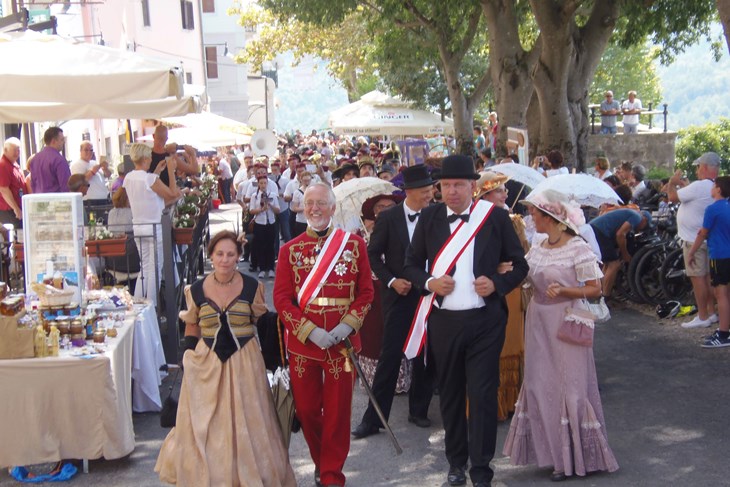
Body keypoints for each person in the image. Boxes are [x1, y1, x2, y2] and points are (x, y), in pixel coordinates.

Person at [402, 155, 528, 487]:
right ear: (438, 188)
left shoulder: (496, 218)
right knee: (452, 395)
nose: (453, 191)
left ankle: (482, 470)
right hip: (444, 323)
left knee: (484, 394)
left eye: (459, 185)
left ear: (473, 186)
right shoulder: (429, 218)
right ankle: (456, 464)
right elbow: (411, 265)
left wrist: (498, 285)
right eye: (446, 185)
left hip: (486, 321)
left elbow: (520, 265)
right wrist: (429, 283)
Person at [156, 231, 296, 487]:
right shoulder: (195, 290)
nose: (225, 259)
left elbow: (261, 322)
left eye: (231, 254)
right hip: (206, 364)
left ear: (238, 257)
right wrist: (188, 356)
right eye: (219, 253)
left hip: (245, 362)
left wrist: (285, 321)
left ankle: (248, 474)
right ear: (211, 256)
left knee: (249, 420)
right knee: (207, 423)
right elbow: (192, 326)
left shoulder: (253, 286)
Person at [503, 189, 619, 481]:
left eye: (535, 213)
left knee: (569, 386)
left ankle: (571, 457)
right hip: (538, 320)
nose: (531, 217)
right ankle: (551, 453)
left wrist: (566, 290)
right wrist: (509, 272)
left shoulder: (577, 248)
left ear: (551, 218)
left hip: (565, 320)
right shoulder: (539, 245)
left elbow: (596, 288)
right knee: (540, 384)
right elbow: (528, 274)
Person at [273, 182, 374, 487]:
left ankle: (331, 475)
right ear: (303, 209)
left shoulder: (354, 245)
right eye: (309, 204)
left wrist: (348, 325)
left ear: (333, 208)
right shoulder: (289, 250)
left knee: (337, 413)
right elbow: (281, 298)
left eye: (321, 203)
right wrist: (309, 331)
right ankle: (322, 460)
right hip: (306, 345)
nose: (314, 208)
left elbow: (366, 292)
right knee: (305, 410)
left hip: (341, 344)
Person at [352, 165, 436, 440]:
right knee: (390, 357)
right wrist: (391, 281)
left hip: (429, 295)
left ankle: (419, 409)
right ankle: (374, 418)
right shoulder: (388, 219)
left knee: (425, 354)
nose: (430, 195)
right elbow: (373, 255)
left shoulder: (437, 215)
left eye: (431, 190)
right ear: (409, 192)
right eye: (425, 191)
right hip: (398, 297)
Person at [475, 171, 530, 421]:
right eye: (500, 190)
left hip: (509, 288)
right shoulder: (471, 221)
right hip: (483, 290)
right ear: (485, 194)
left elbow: (522, 258)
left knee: (510, 345)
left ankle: (508, 402)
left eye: (505, 190)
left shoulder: (513, 220)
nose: (505, 194)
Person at [664, 152, 720, 328]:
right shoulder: (714, 186)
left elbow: (672, 197)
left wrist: (672, 183)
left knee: (698, 279)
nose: (696, 171)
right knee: (708, 278)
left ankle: (703, 316)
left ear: (703, 167)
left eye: (697, 167)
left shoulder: (699, 185)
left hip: (693, 239)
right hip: (707, 239)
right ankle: (710, 313)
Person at [123, 143, 181, 305]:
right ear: (146, 158)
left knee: (145, 268)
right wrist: (170, 170)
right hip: (155, 226)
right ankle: (152, 306)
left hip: (138, 227)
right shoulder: (149, 178)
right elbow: (172, 193)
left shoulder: (129, 177)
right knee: (155, 268)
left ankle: (139, 304)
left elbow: (146, 190)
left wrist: (157, 172)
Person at [687, 176, 730, 347]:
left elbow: (702, 233)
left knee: (721, 294)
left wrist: (691, 252)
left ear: (718, 189)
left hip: (719, 254)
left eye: (713, 186)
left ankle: (723, 333)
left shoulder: (712, 209)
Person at [589, 208, 652, 300]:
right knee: (614, 265)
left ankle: (600, 293)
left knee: (608, 264)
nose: (641, 229)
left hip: (593, 228)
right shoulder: (637, 217)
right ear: (645, 220)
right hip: (600, 231)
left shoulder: (630, 213)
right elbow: (620, 234)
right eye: (645, 226)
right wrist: (625, 254)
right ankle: (605, 297)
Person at [248, 175, 280, 279]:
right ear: (258, 184)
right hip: (259, 223)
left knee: (270, 245)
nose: (263, 185)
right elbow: (251, 210)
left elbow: (278, 210)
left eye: (264, 183)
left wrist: (269, 205)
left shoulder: (273, 195)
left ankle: (271, 268)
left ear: (267, 184)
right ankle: (261, 268)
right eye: (261, 183)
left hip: (270, 222)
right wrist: (261, 209)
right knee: (260, 246)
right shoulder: (255, 196)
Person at [29, 126, 71, 194]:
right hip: (56, 201)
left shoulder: (35, 159)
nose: (64, 142)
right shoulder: (59, 159)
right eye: (62, 139)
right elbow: (66, 186)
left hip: (39, 200)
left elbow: (33, 184)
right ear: (53, 141)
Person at [70, 141, 110, 205]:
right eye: (86, 150)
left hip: (103, 199)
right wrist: (92, 172)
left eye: (91, 150)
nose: (89, 152)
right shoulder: (76, 165)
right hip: (90, 201)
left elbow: (107, 175)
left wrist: (105, 168)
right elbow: (80, 182)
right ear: (80, 151)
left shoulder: (94, 163)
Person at [0, 137, 27, 228]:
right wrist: (16, 209)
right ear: (5, 150)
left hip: (17, 208)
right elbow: (4, 189)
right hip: (10, 211)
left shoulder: (13, 164)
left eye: (18, 150)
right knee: (17, 238)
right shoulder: (3, 165)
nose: (17, 153)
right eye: (14, 150)